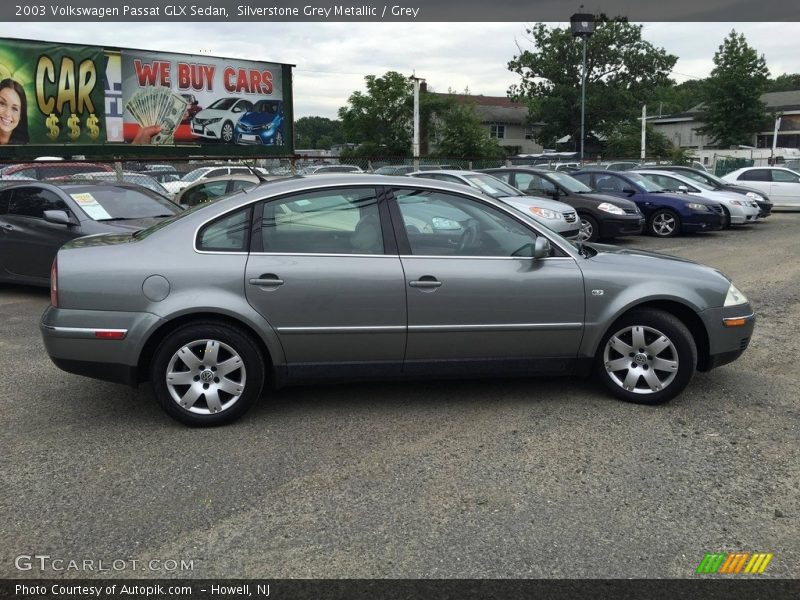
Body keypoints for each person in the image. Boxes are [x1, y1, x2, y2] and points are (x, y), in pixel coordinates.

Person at [0, 78, 29, 145]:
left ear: (21, 116)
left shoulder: (25, 150)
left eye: (14, 109)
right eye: (2, 103)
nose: (7, 114)